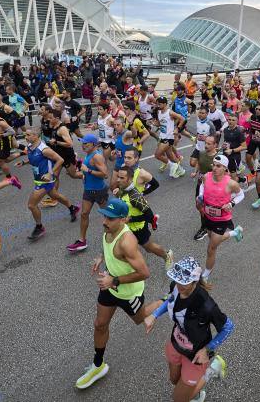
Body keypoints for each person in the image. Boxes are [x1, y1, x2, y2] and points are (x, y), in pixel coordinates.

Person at [75, 197, 162, 390]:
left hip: (129, 294)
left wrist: (113, 280)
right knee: (100, 324)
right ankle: (98, 365)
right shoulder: (108, 230)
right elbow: (108, 248)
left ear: (123, 219)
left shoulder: (127, 241)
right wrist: (101, 258)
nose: (105, 221)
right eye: (105, 216)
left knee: (140, 319)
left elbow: (144, 273)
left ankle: (166, 300)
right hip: (109, 288)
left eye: (111, 218)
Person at [144, 256, 233, 402]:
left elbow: (228, 327)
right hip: (176, 344)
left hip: (196, 355)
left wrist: (207, 349)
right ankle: (192, 392)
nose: (179, 285)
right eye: (177, 280)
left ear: (194, 281)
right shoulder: (176, 286)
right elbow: (171, 300)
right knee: (174, 380)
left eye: (184, 282)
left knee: (179, 399)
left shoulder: (206, 305)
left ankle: (212, 369)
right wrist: (154, 315)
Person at [15, 127, 79, 241]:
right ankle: (72, 208)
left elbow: (60, 160)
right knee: (55, 195)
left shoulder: (44, 149)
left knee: (31, 205)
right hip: (39, 178)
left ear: (36, 136)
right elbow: (36, 159)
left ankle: (39, 227)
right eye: (25, 135)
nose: (26, 137)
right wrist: (24, 162)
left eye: (28, 135)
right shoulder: (30, 146)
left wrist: (50, 174)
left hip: (45, 180)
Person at [113, 165, 173, 268]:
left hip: (138, 228)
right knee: (122, 247)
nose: (118, 180)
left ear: (130, 179)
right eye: (118, 177)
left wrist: (131, 219)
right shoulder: (122, 189)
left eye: (122, 178)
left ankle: (167, 255)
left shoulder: (135, 196)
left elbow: (149, 216)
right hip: (126, 227)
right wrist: (117, 195)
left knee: (148, 248)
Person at [195, 155, 244, 280]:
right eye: (213, 164)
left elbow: (241, 194)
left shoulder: (231, 183)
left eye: (218, 166)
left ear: (225, 168)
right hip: (207, 216)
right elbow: (202, 185)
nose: (214, 168)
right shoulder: (207, 176)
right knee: (213, 238)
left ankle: (206, 274)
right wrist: (201, 195)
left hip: (221, 220)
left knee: (211, 248)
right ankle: (235, 232)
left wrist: (231, 203)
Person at [67, 133, 109, 253]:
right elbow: (86, 172)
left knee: (108, 215)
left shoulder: (97, 157)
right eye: (82, 143)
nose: (83, 145)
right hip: (88, 191)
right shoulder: (88, 155)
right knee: (84, 214)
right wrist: (81, 174)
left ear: (94, 144)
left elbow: (104, 174)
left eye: (86, 143)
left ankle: (117, 236)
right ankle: (82, 241)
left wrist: (88, 171)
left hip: (99, 191)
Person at [154, 97, 186, 178]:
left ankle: (173, 166)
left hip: (169, 138)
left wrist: (177, 128)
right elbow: (159, 124)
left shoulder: (170, 112)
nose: (158, 105)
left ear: (165, 104)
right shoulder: (159, 112)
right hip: (162, 136)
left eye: (160, 104)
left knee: (157, 155)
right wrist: (154, 123)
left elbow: (182, 119)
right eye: (157, 103)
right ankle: (181, 170)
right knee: (171, 157)